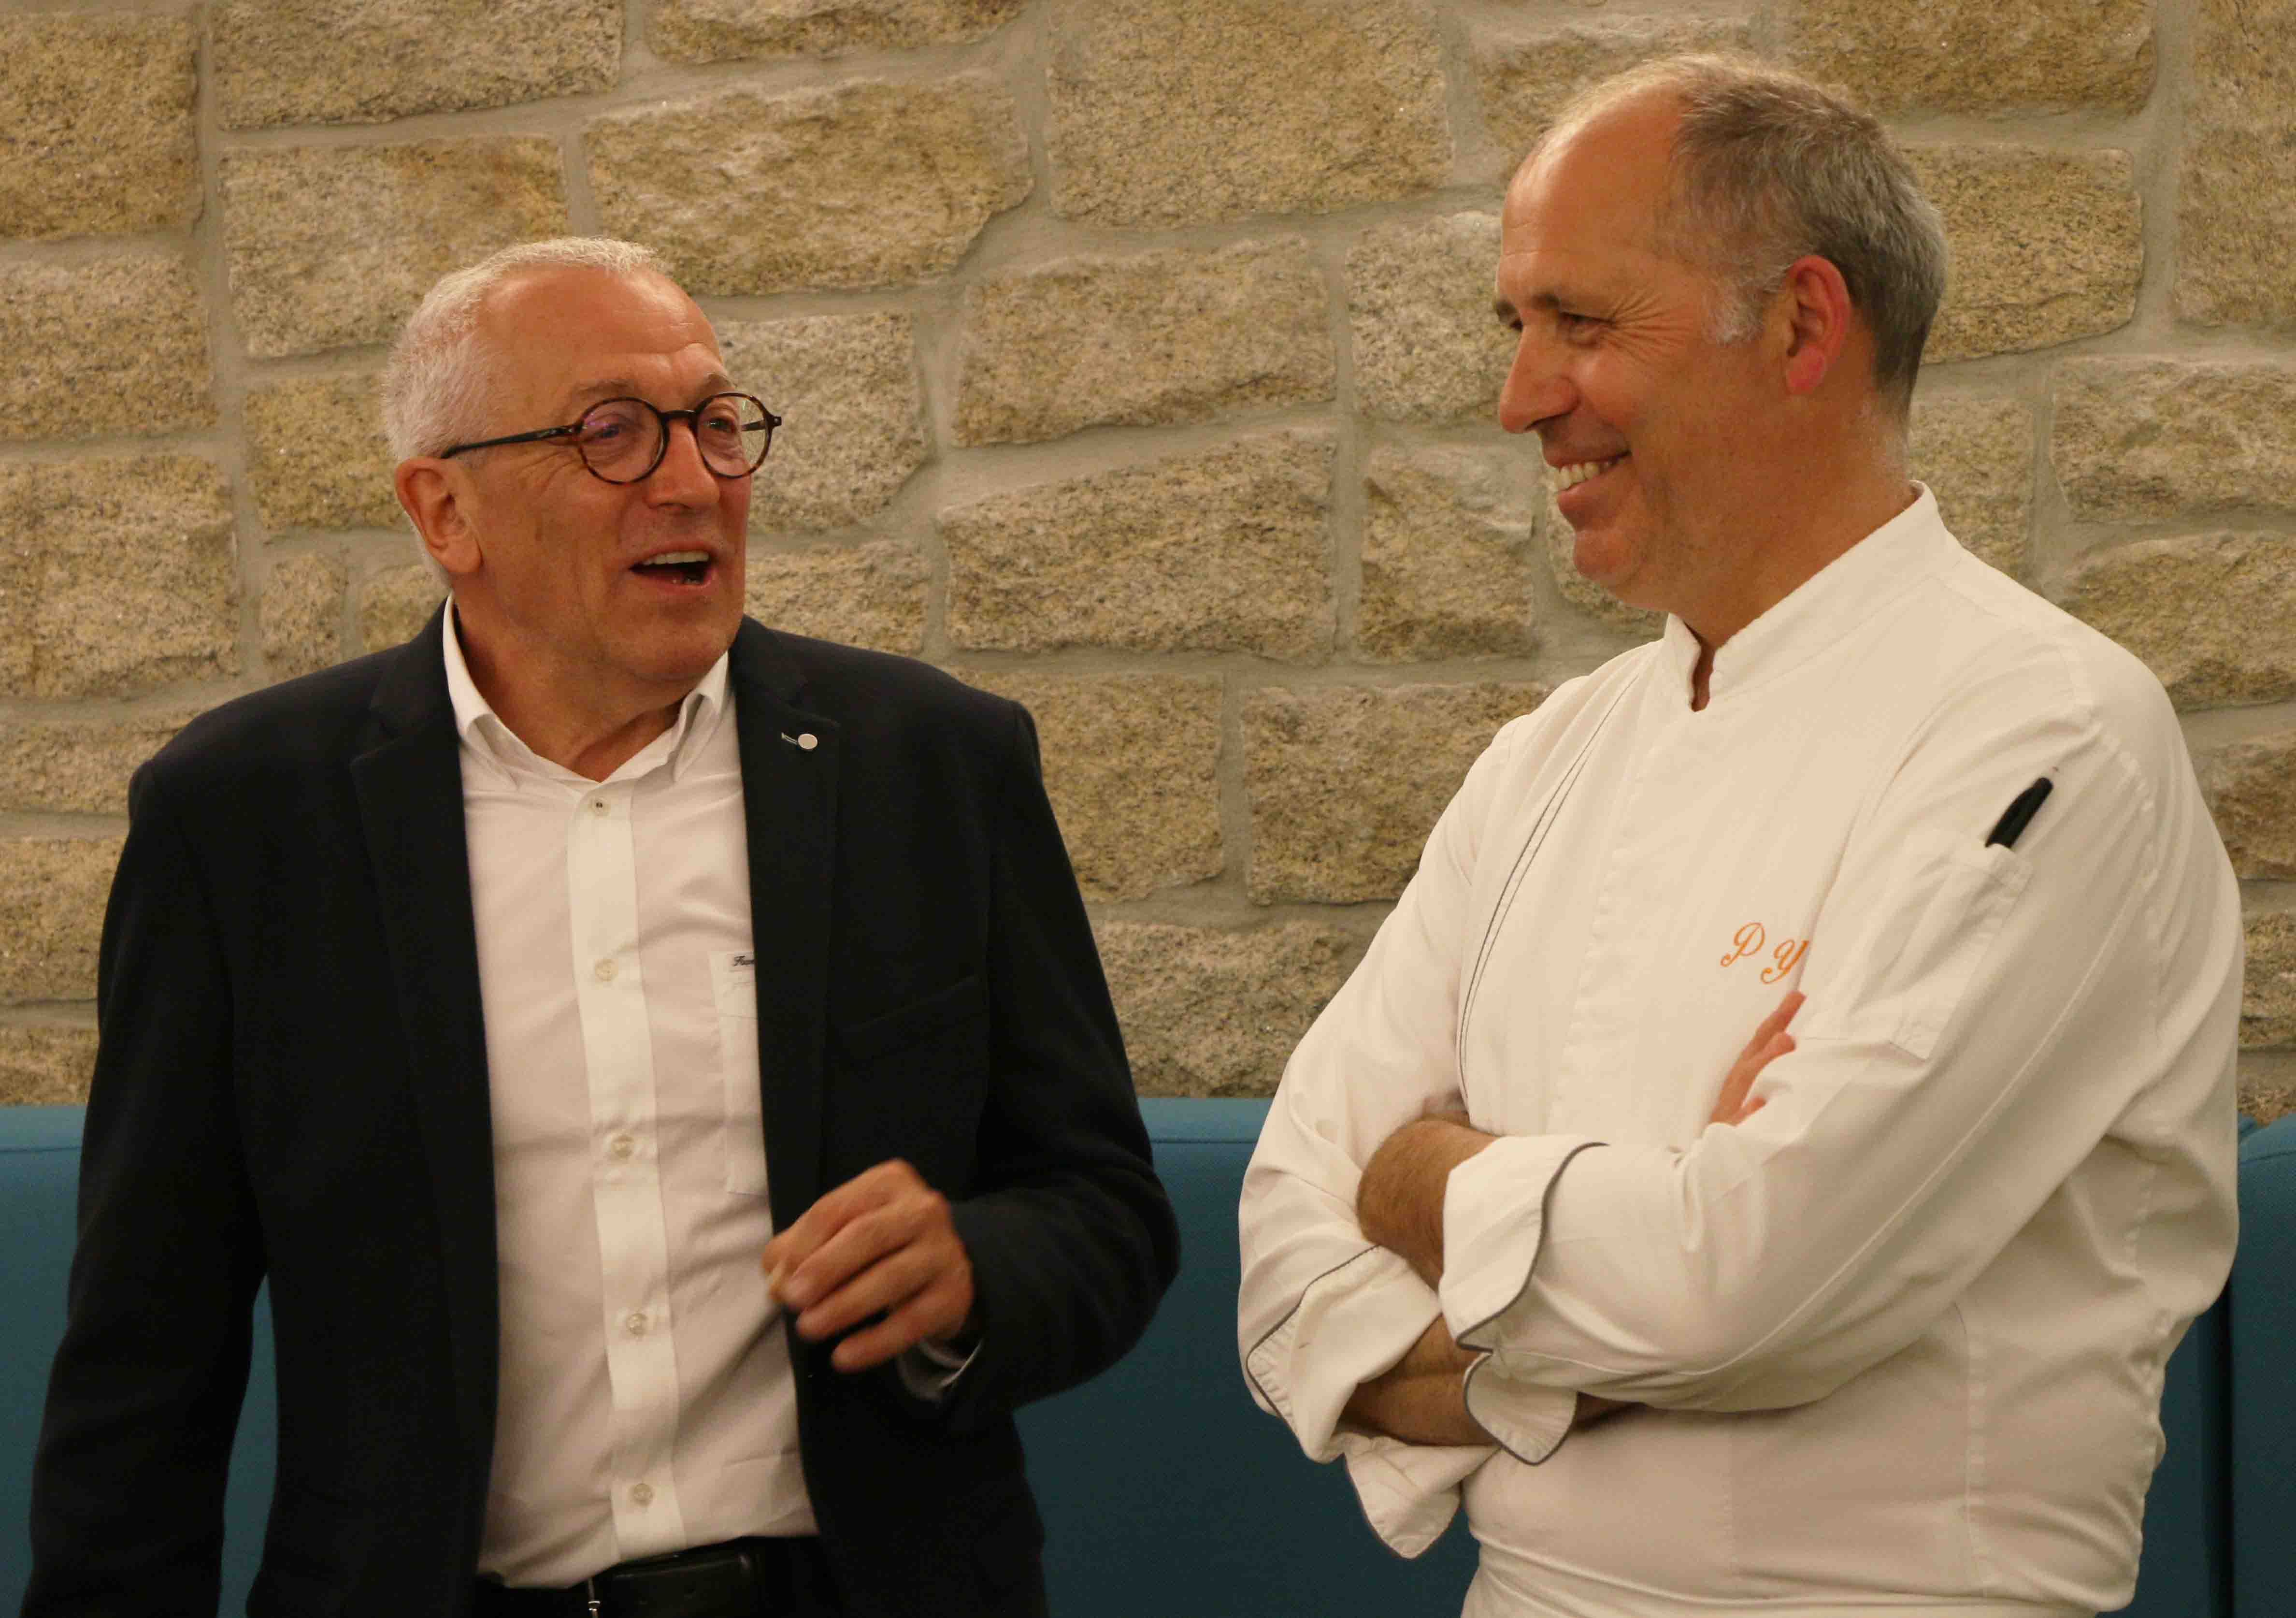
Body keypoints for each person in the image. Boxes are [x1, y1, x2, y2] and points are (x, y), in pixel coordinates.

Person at [26, 237, 1177, 1618]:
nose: (692, 479)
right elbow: (146, 1362)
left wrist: (974, 1272)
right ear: (443, 510)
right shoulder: (245, 824)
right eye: (613, 435)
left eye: (714, 424)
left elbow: (1106, 1208)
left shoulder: (932, 766)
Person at [1237, 55, 2241, 1618]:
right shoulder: (1545, 762)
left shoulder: (2045, 733)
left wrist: (1433, 1179)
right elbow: (1289, 1249)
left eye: (1581, 324)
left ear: (1802, 325)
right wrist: (1615, 1301)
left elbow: (1752, 1280)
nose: (1521, 400)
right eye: (1519, 332)